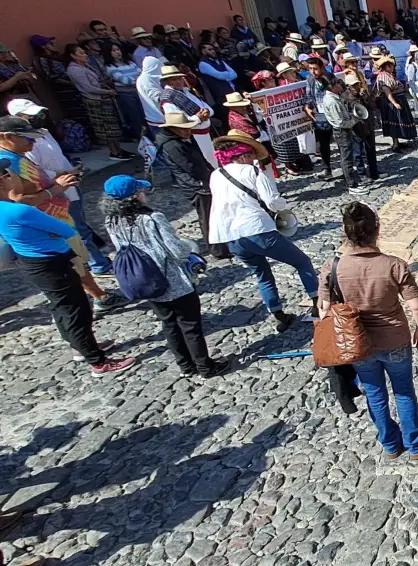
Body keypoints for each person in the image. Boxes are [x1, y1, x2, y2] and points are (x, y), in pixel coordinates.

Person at [0, 159, 136, 375]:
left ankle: (82, 347)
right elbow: (65, 229)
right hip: (53, 262)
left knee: (61, 308)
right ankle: (98, 361)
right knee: (76, 310)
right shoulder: (19, 211)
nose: (10, 177)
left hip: (33, 262)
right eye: (6, 175)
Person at [318, 202, 418, 461]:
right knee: (404, 391)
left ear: (345, 231)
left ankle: (390, 444)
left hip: (358, 344)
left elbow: (324, 311)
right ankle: (414, 445)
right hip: (395, 339)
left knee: (375, 393)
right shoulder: (394, 265)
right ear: (377, 230)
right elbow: (416, 305)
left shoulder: (332, 267)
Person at [101, 175, 228, 377]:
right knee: (190, 325)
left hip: (146, 279)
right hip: (173, 280)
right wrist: (190, 249)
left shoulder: (112, 221)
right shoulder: (152, 218)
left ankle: (185, 366)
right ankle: (205, 366)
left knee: (169, 324)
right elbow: (176, 250)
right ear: (135, 196)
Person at [0, 116, 121, 310]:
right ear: (7, 137)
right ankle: (100, 298)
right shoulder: (6, 164)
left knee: (78, 260)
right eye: (28, 138)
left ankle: (99, 295)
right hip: (47, 224)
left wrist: (60, 178)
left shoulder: (17, 155)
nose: (33, 143)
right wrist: (56, 188)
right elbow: (18, 200)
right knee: (74, 262)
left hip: (58, 216)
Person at [208, 132, 319, 331]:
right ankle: (318, 304)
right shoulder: (252, 172)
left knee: (262, 273)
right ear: (243, 154)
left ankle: (279, 315)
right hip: (256, 229)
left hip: (231, 236)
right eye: (251, 154)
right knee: (302, 262)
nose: (253, 159)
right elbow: (272, 201)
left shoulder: (216, 175)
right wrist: (284, 206)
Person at [7, 99, 112, 275]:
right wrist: (62, 175)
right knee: (76, 229)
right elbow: (37, 171)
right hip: (55, 190)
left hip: (69, 183)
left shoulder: (45, 132)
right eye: (31, 116)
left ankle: (91, 259)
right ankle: (97, 264)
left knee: (81, 224)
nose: (38, 118)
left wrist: (71, 170)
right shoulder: (22, 148)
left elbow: (57, 156)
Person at [155, 109, 229, 258]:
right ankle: (217, 250)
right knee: (207, 217)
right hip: (196, 186)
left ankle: (225, 242)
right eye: (183, 129)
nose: (187, 131)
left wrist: (212, 172)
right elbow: (190, 168)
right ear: (172, 129)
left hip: (204, 180)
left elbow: (200, 159)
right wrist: (205, 182)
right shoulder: (171, 145)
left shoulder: (186, 138)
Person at [160, 64, 218, 168]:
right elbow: (176, 122)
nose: (178, 82)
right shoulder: (168, 99)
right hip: (193, 135)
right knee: (205, 162)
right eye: (174, 80)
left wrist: (207, 112)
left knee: (212, 158)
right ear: (167, 81)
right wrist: (198, 118)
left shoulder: (187, 92)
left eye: (179, 78)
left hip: (205, 132)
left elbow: (206, 107)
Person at [321, 77, 367, 194]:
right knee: (347, 159)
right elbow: (340, 122)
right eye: (338, 83)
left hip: (342, 131)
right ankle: (352, 185)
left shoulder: (333, 98)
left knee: (346, 157)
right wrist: (354, 121)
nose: (341, 85)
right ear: (332, 86)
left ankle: (352, 180)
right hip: (342, 132)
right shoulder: (332, 101)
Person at [340, 71, 381, 181]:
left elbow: (373, 107)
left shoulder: (363, 93)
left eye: (357, 84)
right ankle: (362, 174)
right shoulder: (344, 98)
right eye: (353, 85)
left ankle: (374, 172)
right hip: (356, 129)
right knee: (357, 154)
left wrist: (366, 98)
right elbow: (344, 114)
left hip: (368, 126)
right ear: (348, 86)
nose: (356, 87)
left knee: (371, 151)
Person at [103, 45, 144, 140]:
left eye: (118, 49)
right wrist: (138, 80)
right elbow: (125, 80)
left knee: (143, 114)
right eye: (113, 50)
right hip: (125, 94)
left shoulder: (130, 63)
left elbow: (142, 73)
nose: (117, 52)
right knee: (135, 116)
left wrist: (137, 79)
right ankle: (141, 137)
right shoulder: (110, 67)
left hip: (138, 91)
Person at [303, 61, 335, 180]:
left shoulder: (329, 77)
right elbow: (308, 95)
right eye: (310, 68)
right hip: (319, 115)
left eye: (315, 68)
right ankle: (326, 168)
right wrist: (308, 106)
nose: (313, 71)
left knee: (341, 142)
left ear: (322, 68)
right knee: (323, 144)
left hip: (333, 114)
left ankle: (348, 169)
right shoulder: (310, 79)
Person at [197, 43, 238, 122]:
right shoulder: (203, 64)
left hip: (232, 90)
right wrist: (227, 74)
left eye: (213, 49)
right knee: (228, 117)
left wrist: (225, 76)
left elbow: (235, 74)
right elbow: (219, 75)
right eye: (209, 49)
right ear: (203, 51)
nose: (213, 51)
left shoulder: (219, 61)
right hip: (221, 95)